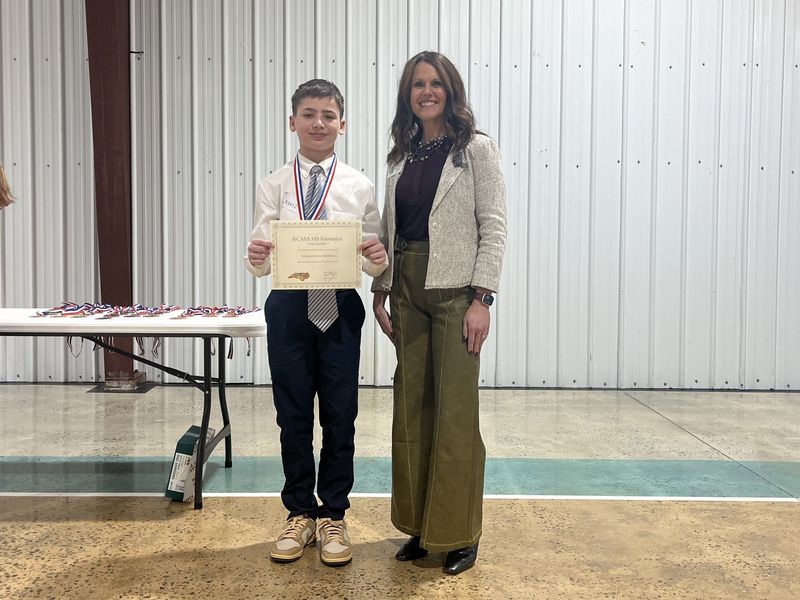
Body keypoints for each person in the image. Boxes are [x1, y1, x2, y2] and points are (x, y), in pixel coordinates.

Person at [371, 51, 507, 575]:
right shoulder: (400, 157)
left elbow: (492, 226)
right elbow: (390, 229)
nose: (426, 92)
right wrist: (382, 290)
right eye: (417, 85)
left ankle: (460, 533)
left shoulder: (475, 150)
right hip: (406, 288)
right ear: (408, 95)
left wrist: (482, 298)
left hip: (455, 294)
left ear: (451, 90)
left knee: (454, 415)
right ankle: (421, 528)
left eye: (436, 83)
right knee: (411, 412)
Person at [246, 79, 387, 567]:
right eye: (309, 114)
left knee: (341, 412)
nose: (319, 123)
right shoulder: (273, 184)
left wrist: (376, 256)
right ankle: (299, 512)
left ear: (342, 125)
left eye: (328, 115)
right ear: (293, 122)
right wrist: (255, 256)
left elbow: (371, 260)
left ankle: (333, 515)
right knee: (292, 414)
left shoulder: (358, 184)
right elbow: (261, 261)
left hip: (340, 308)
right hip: (288, 306)